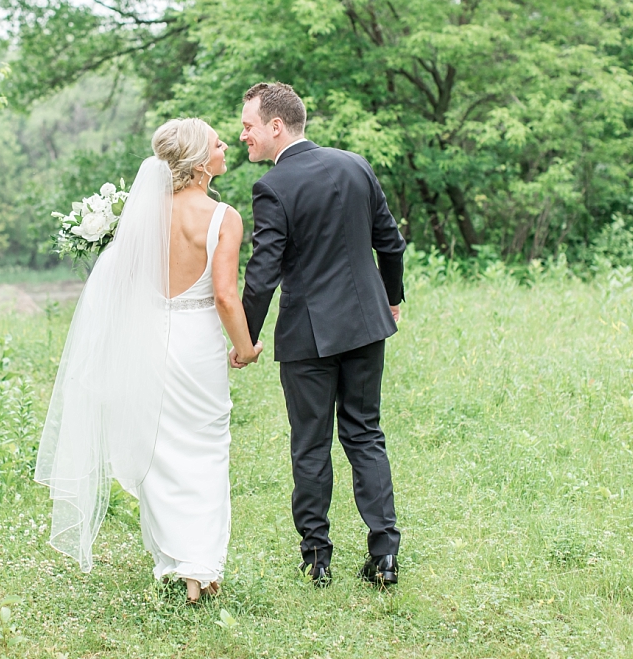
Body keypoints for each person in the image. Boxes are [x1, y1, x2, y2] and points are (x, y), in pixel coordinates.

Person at [36, 118, 262, 604]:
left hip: (149, 339)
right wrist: (245, 348)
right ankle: (199, 567)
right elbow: (225, 295)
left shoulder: (142, 214)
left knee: (158, 448)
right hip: (197, 342)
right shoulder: (224, 217)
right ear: (202, 163)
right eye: (219, 143)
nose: (227, 147)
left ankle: (176, 563)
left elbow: (120, 285)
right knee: (206, 448)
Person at [232, 81, 406, 588]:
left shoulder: (274, 188)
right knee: (365, 433)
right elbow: (390, 243)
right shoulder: (356, 165)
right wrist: (391, 298)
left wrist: (243, 339)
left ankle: (317, 558)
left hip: (309, 335)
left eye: (248, 125)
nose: (243, 135)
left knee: (310, 444)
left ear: (276, 126)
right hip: (367, 324)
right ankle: (385, 556)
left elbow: (262, 274)